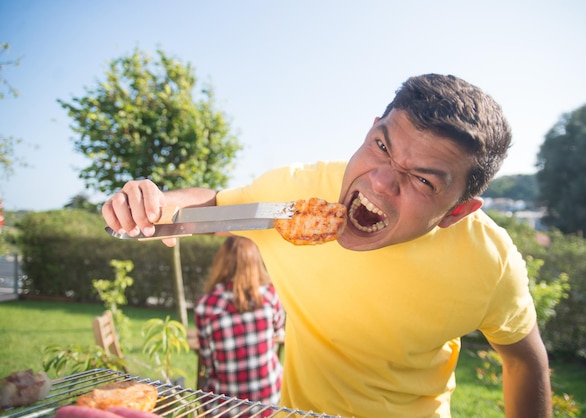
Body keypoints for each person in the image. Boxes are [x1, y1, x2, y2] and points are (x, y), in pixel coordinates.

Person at [102, 74, 552, 417]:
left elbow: (525, 362)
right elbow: (212, 206)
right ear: (372, 128)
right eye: (381, 146)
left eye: (421, 180)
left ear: (456, 211)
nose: (380, 180)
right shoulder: (297, 193)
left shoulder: (489, 261)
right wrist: (158, 203)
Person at [194, 235, 285, 417]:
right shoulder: (270, 295)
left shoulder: (207, 304)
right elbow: (278, 329)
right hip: (270, 398)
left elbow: (208, 360)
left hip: (226, 405)